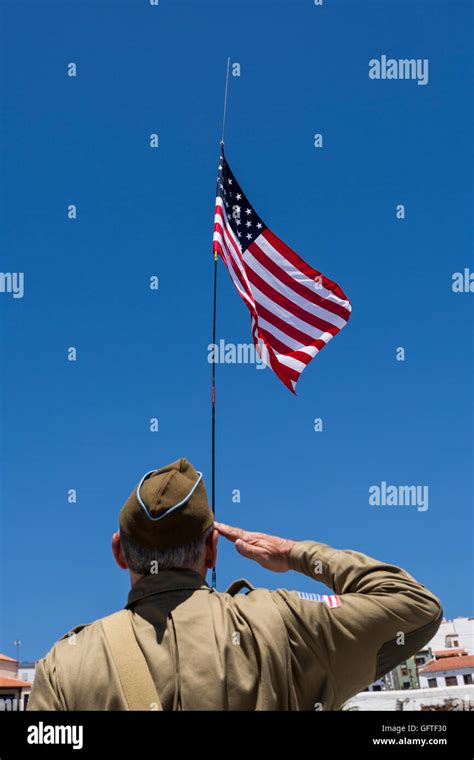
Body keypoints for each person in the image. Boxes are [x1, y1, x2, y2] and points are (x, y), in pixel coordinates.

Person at [28, 457, 443, 711]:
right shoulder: (282, 626)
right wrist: (293, 551)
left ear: (119, 552)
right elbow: (415, 606)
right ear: (212, 550)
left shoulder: (65, 666)